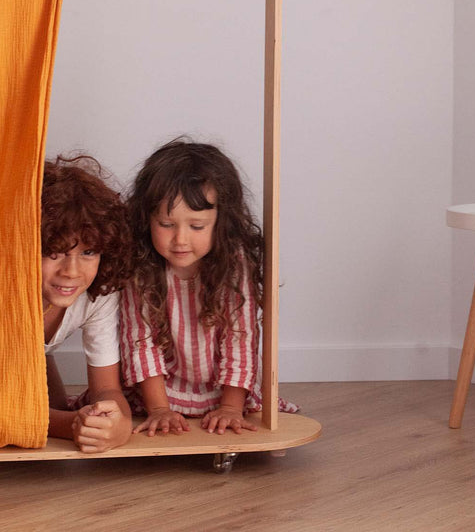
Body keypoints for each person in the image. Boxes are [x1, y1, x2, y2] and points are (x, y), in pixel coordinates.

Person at [120, 138, 297, 437]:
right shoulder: (140, 264)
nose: (180, 239)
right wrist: (159, 409)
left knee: (262, 425)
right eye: (166, 224)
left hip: (223, 389)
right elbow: (139, 341)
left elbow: (240, 338)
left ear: (221, 223)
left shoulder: (233, 263)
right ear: (146, 219)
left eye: (197, 227)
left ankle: (232, 406)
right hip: (159, 391)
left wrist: (230, 407)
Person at [41, 154, 133, 453]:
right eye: (53, 252)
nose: (71, 271)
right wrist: (70, 425)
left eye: (89, 252)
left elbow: (106, 388)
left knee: (55, 405)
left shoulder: (97, 294)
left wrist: (118, 421)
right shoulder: (1, 292)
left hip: (32, 356)